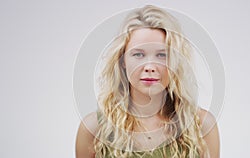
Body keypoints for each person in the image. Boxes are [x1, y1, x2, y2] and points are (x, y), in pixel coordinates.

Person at [76, 5, 220, 158]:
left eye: (161, 55)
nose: (150, 67)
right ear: (122, 60)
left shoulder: (202, 125)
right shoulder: (94, 128)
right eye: (138, 54)